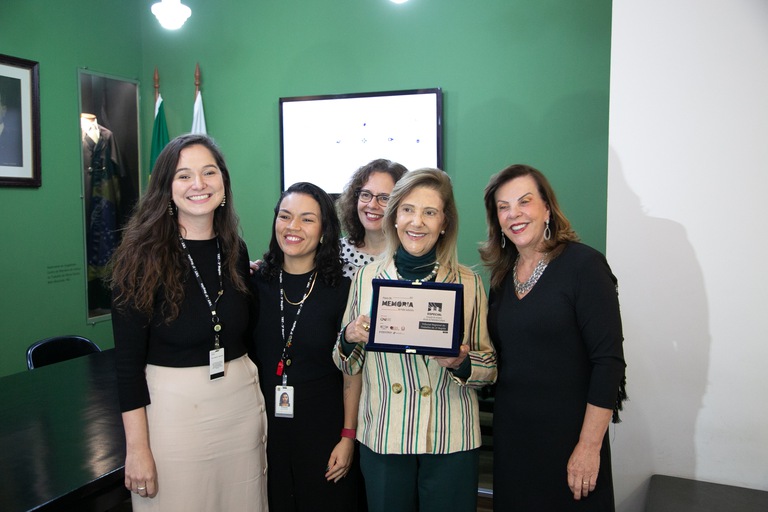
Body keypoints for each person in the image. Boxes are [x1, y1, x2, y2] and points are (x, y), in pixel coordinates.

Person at [110, 134, 268, 511]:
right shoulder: (138, 258)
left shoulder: (235, 250)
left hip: (240, 410)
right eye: (184, 176)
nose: (199, 184)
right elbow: (127, 368)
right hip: (173, 417)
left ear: (223, 183)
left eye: (208, 172)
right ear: (166, 189)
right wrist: (137, 451)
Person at [334, 168, 497, 512]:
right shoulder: (366, 278)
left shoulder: (468, 282)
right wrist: (349, 337)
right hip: (384, 436)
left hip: (451, 437)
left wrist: (462, 361)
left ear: (444, 223)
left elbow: (491, 367)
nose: (417, 222)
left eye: (429, 212)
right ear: (394, 218)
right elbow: (344, 361)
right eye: (408, 209)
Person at [479, 164, 627, 511]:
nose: (514, 213)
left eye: (524, 202)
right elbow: (505, 357)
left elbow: (608, 363)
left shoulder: (584, 266)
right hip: (514, 440)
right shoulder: (501, 278)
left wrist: (589, 447)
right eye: (503, 206)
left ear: (547, 208)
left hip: (571, 442)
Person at [251, 181, 360, 512]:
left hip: (324, 429)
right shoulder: (253, 284)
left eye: (307, 219)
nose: (293, 227)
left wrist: (347, 437)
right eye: (285, 216)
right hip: (265, 429)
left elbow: (352, 373)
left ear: (325, 230)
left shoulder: (343, 290)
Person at [337, 158, 408, 277]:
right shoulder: (335, 252)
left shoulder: (411, 259)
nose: (372, 205)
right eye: (366, 195)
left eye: (384, 198)